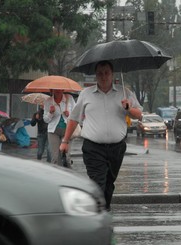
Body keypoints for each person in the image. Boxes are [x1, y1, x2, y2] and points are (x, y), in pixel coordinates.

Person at [60, 60, 143, 211]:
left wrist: (129, 109)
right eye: (100, 73)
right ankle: (99, 214)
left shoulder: (125, 93)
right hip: (93, 148)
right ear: (95, 75)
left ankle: (105, 211)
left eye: (106, 73)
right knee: (98, 183)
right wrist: (65, 141)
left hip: (117, 148)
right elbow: (73, 118)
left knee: (109, 184)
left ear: (112, 74)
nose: (103, 76)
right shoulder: (86, 94)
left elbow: (139, 115)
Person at [43, 89, 75, 167]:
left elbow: (76, 114)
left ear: (63, 89)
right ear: (52, 90)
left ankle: (68, 175)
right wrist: (50, 113)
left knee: (66, 157)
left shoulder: (69, 98)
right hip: (53, 132)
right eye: (55, 89)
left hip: (67, 131)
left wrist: (69, 114)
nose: (58, 90)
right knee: (55, 158)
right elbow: (46, 120)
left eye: (60, 89)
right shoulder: (48, 101)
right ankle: (56, 177)